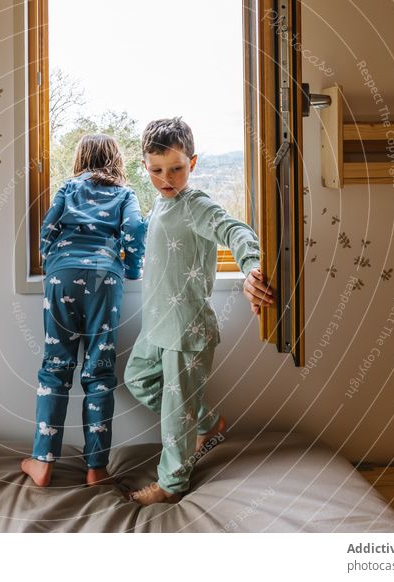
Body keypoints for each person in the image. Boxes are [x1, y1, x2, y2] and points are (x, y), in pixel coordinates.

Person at [124, 117, 274, 505]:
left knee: (175, 415)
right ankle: (206, 422)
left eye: (176, 168)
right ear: (145, 167)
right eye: (156, 170)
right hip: (156, 323)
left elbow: (234, 230)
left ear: (193, 162)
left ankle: (171, 485)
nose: (166, 178)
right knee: (138, 378)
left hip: (185, 329)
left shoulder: (196, 205)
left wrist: (251, 266)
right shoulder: (160, 201)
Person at [21, 134, 146, 487]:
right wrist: (133, 268)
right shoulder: (124, 193)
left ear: (81, 159)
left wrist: (53, 260)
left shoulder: (68, 187)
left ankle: (43, 462)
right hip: (105, 279)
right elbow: (135, 229)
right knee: (100, 372)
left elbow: (47, 228)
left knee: (55, 368)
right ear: (116, 161)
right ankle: (96, 468)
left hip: (63, 277)